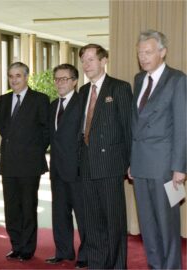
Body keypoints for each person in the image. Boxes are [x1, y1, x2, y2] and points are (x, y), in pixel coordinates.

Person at [128, 30, 186, 269]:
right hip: (141, 164)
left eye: (148, 52)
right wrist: (131, 161)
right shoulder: (139, 79)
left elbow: (183, 126)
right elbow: (136, 124)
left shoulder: (177, 79)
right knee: (148, 225)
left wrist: (179, 168)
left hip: (165, 166)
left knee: (167, 225)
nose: (143, 57)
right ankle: (154, 265)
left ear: (163, 52)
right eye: (140, 52)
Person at [78, 44, 132, 269]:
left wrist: (132, 163)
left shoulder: (119, 88)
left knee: (114, 222)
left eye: (91, 59)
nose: (86, 64)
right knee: (91, 222)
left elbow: (129, 128)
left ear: (103, 61)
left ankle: (117, 266)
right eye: (83, 60)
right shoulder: (83, 92)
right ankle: (97, 264)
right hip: (86, 166)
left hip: (110, 166)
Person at [0, 62, 49, 261]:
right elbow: (1, 126)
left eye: (18, 75)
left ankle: (27, 248)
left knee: (28, 207)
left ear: (26, 77)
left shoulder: (40, 99)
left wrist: (34, 149)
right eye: (11, 76)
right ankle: (16, 245)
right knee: (11, 208)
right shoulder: (2, 100)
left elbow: (46, 131)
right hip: (8, 162)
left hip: (29, 163)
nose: (14, 79)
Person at [45, 64, 87, 268]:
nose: (59, 83)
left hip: (78, 171)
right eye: (57, 79)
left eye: (64, 79)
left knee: (83, 215)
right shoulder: (53, 106)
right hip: (57, 170)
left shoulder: (84, 103)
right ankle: (63, 251)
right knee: (59, 213)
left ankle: (85, 255)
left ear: (75, 81)